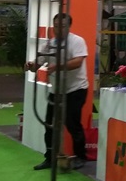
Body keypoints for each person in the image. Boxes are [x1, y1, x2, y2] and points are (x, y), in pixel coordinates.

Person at [25, 13, 89, 171]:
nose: (58, 29)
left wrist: (57, 67)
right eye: (56, 26)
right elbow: (38, 63)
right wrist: (31, 65)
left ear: (69, 26)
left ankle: (80, 156)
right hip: (57, 91)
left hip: (76, 89)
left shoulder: (77, 41)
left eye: (62, 26)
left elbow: (77, 62)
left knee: (72, 124)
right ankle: (50, 158)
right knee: (49, 125)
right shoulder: (50, 43)